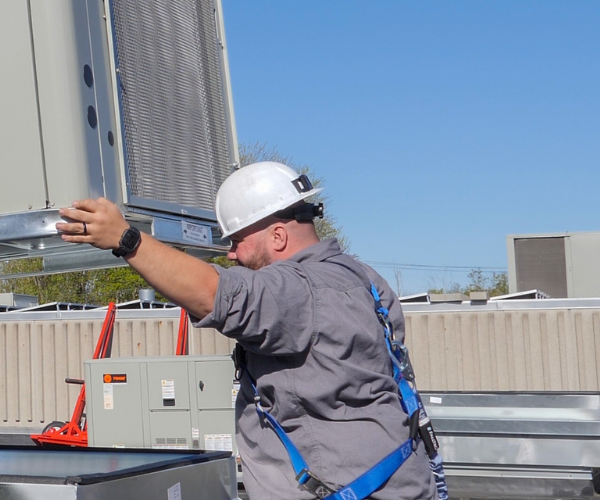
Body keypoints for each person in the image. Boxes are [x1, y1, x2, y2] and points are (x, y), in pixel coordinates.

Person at [57, 161, 447, 500]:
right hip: (399, 479)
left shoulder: (298, 289)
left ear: (277, 235)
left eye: (237, 241)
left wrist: (127, 241)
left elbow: (214, 295)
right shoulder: (363, 278)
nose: (230, 254)